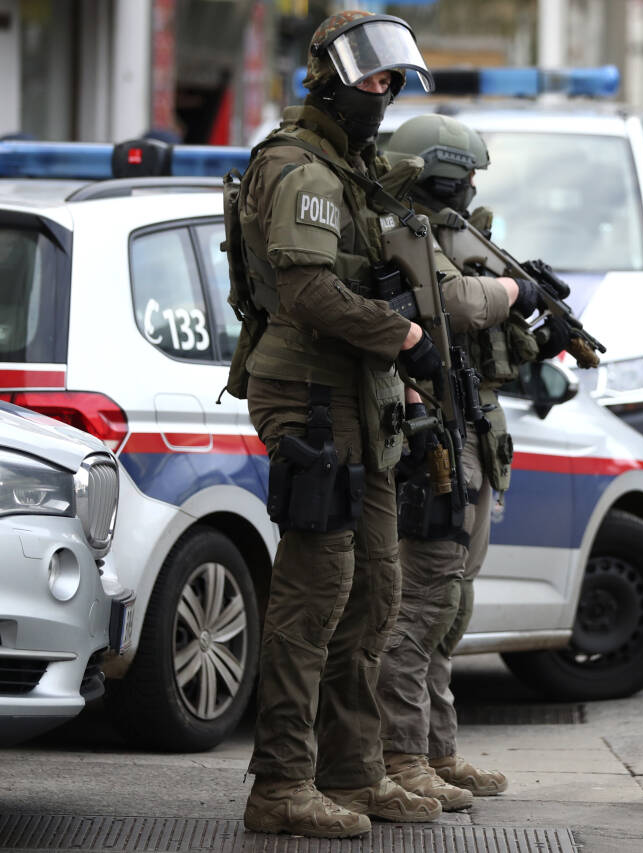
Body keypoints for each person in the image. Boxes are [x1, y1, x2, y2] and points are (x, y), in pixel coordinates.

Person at [227, 11, 445, 837]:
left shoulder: (348, 168)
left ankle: (353, 772)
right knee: (313, 596)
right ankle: (281, 782)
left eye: (392, 81)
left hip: (360, 396)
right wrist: (407, 336)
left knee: (375, 589)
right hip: (309, 396)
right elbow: (311, 291)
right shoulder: (299, 169)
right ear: (328, 76)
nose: (382, 95)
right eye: (371, 79)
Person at [377, 114, 549, 808]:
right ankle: (403, 752)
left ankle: (437, 747)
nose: (473, 187)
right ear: (442, 174)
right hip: (430, 438)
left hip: (463, 430)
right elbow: (457, 303)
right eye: (466, 176)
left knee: (449, 602)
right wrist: (514, 291)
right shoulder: (402, 233)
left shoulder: (444, 235)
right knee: (421, 603)